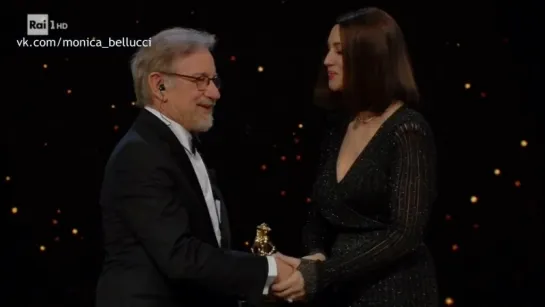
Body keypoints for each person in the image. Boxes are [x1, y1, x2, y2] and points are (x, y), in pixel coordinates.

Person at [95, 27, 294, 307]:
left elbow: (206, 248)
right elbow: (180, 257)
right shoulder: (139, 154)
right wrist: (269, 270)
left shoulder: (177, 147)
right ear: (159, 86)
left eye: (213, 80)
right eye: (200, 80)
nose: (214, 93)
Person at [271, 7, 439, 306]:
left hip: (395, 292)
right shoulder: (339, 125)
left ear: (369, 57)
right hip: (342, 290)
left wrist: (322, 273)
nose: (327, 61)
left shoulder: (407, 130)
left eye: (339, 51)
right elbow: (319, 213)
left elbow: (405, 234)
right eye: (328, 50)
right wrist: (314, 255)